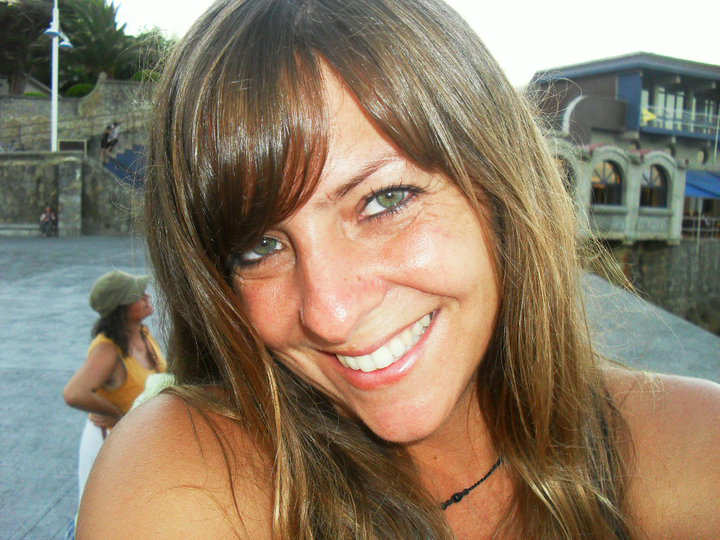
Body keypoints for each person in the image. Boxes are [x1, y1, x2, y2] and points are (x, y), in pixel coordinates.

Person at [78, 1, 720, 538]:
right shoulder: (187, 473)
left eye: (385, 200)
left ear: (500, 191)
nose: (330, 313)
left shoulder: (691, 448)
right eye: (258, 247)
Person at [63, 270, 166, 504]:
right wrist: (117, 414)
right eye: (138, 296)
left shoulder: (142, 333)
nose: (147, 297)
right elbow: (74, 393)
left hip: (136, 436)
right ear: (121, 309)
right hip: (110, 441)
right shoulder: (108, 349)